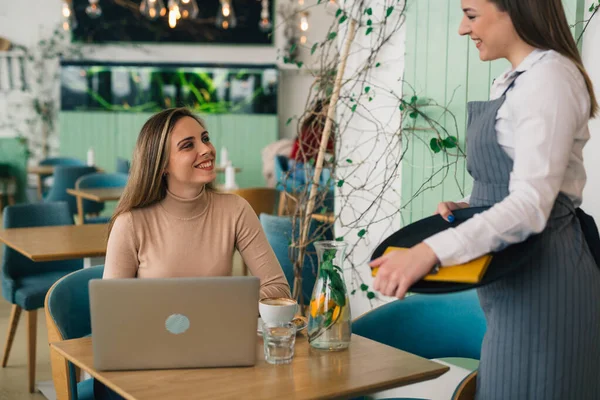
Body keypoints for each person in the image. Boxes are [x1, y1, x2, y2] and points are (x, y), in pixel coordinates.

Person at [370, 0, 600, 398]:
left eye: (471, 14)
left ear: (516, 9)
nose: (462, 29)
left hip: (546, 285)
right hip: (513, 281)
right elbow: (521, 180)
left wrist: (429, 252)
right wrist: (473, 201)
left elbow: (530, 205)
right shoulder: (515, 80)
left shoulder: (550, 79)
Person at [96, 107, 291, 398]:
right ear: (161, 165)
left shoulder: (235, 210)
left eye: (205, 138)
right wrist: (222, 305)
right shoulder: (131, 223)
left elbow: (277, 289)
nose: (206, 149)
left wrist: (211, 307)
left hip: (220, 356)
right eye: (188, 145)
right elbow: (113, 317)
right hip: (152, 363)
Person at [288, 99, 334, 186]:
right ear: (319, 111)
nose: (330, 114)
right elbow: (327, 148)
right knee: (326, 182)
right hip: (299, 167)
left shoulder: (310, 124)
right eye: (327, 110)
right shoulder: (316, 128)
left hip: (295, 164)